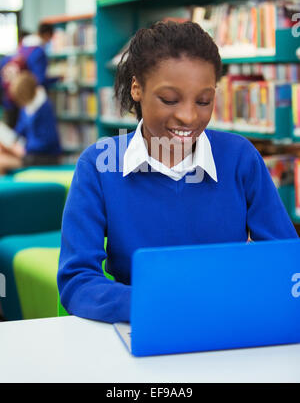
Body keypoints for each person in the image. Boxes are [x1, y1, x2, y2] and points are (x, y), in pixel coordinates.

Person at [57, 21, 298, 324]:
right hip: (143, 325)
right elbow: (77, 280)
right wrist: (155, 304)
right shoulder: (98, 165)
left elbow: (285, 260)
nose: (188, 116)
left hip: (227, 323)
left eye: (203, 101)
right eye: (169, 100)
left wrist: (243, 294)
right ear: (137, 88)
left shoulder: (240, 158)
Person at [0, 71, 61, 174]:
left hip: (43, 157)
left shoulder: (44, 107)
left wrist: (25, 148)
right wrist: (10, 139)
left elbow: (48, 141)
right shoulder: (27, 107)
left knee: (1, 161)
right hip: (29, 152)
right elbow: (20, 129)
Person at [0, 22, 57, 128]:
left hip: (10, 98)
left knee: (15, 132)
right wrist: (57, 79)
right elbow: (40, 79)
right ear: (47, 35)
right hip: (26, 98)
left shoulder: (21, 48)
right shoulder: (38, 51)